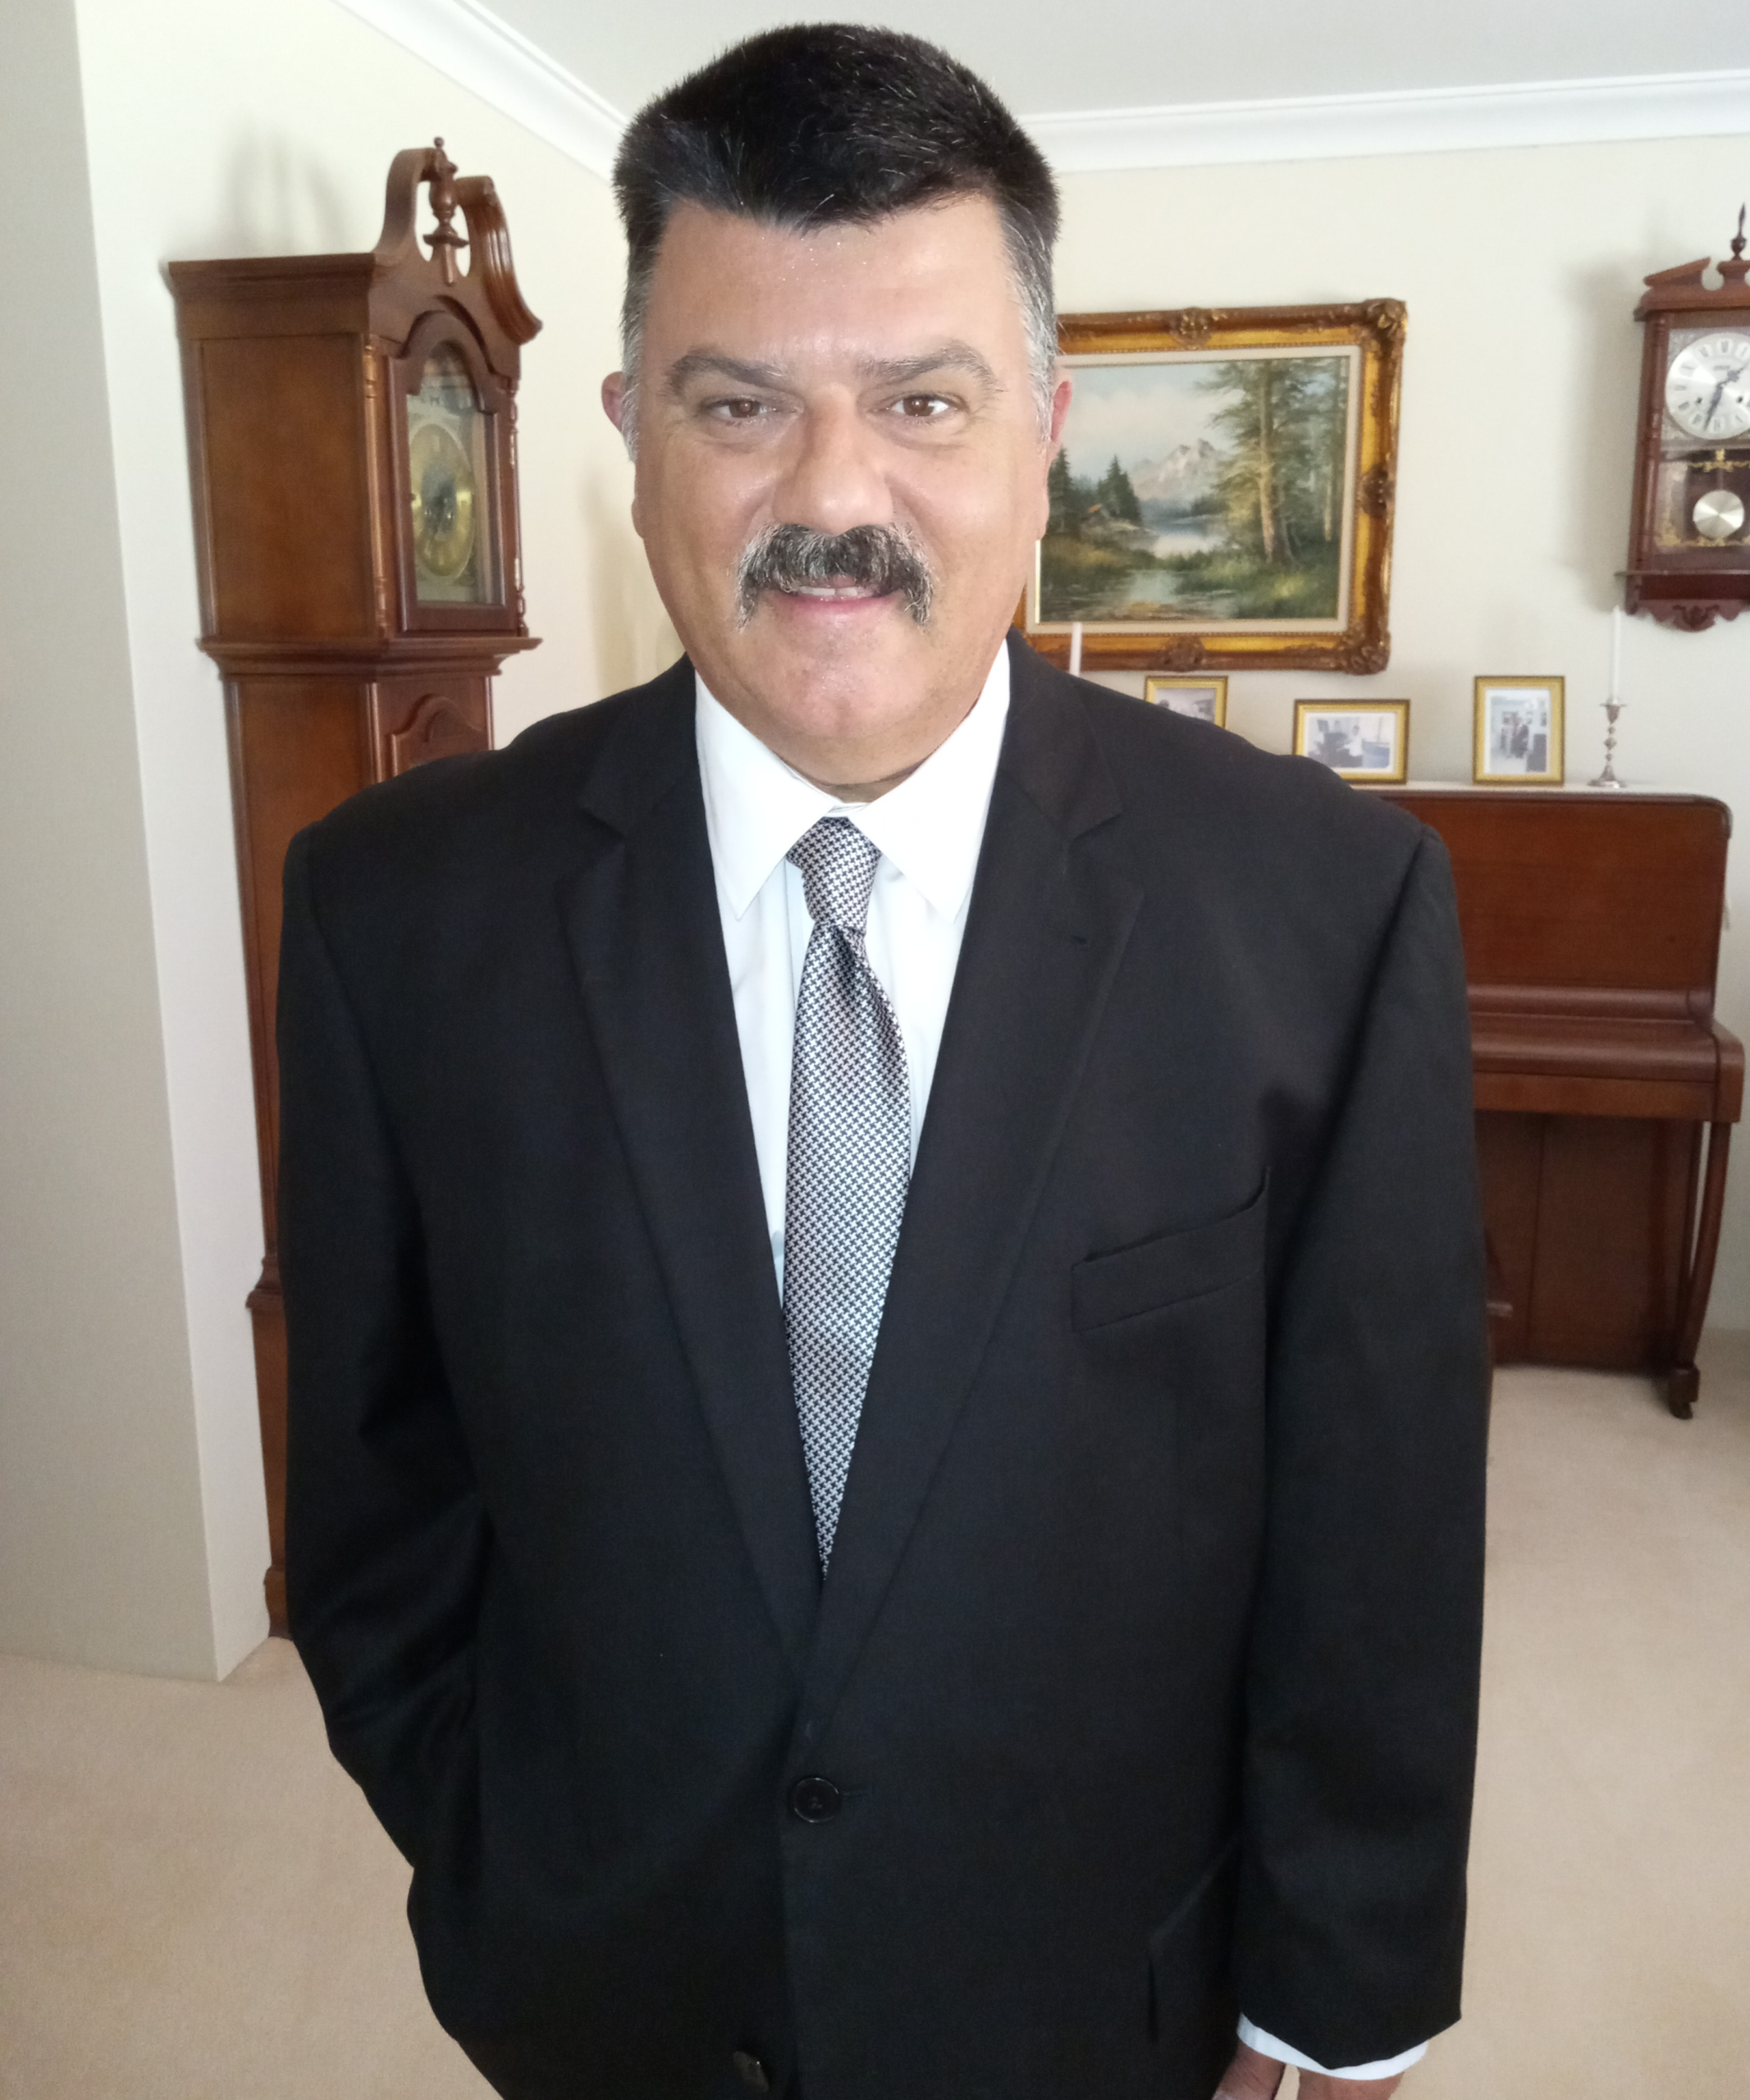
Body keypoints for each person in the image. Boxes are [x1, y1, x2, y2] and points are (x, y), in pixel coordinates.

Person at [279, 26, 1488, 2100]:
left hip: (1105, 1998)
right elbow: (378, 1493)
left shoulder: (1326, 904)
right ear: (631, 436)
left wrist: (1333, 1993)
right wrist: (499, 1856)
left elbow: (1375, 1527)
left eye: (922, 400)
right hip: (605, 1990)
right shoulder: (394, 906)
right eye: (738, 402)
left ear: (1044, 430)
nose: (832, 496)